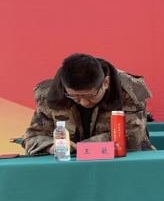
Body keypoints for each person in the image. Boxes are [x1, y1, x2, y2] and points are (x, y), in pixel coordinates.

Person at [22, 53, 153, 155]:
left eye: (90, 96)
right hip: (68, 164)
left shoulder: (130, 90)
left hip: (124, 160)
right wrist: (51, 146)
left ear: (105, 83)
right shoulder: (48, 95)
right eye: (75, 97)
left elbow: (132, 137)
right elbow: (32, 138)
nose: (84, 102)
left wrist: (81, 148)